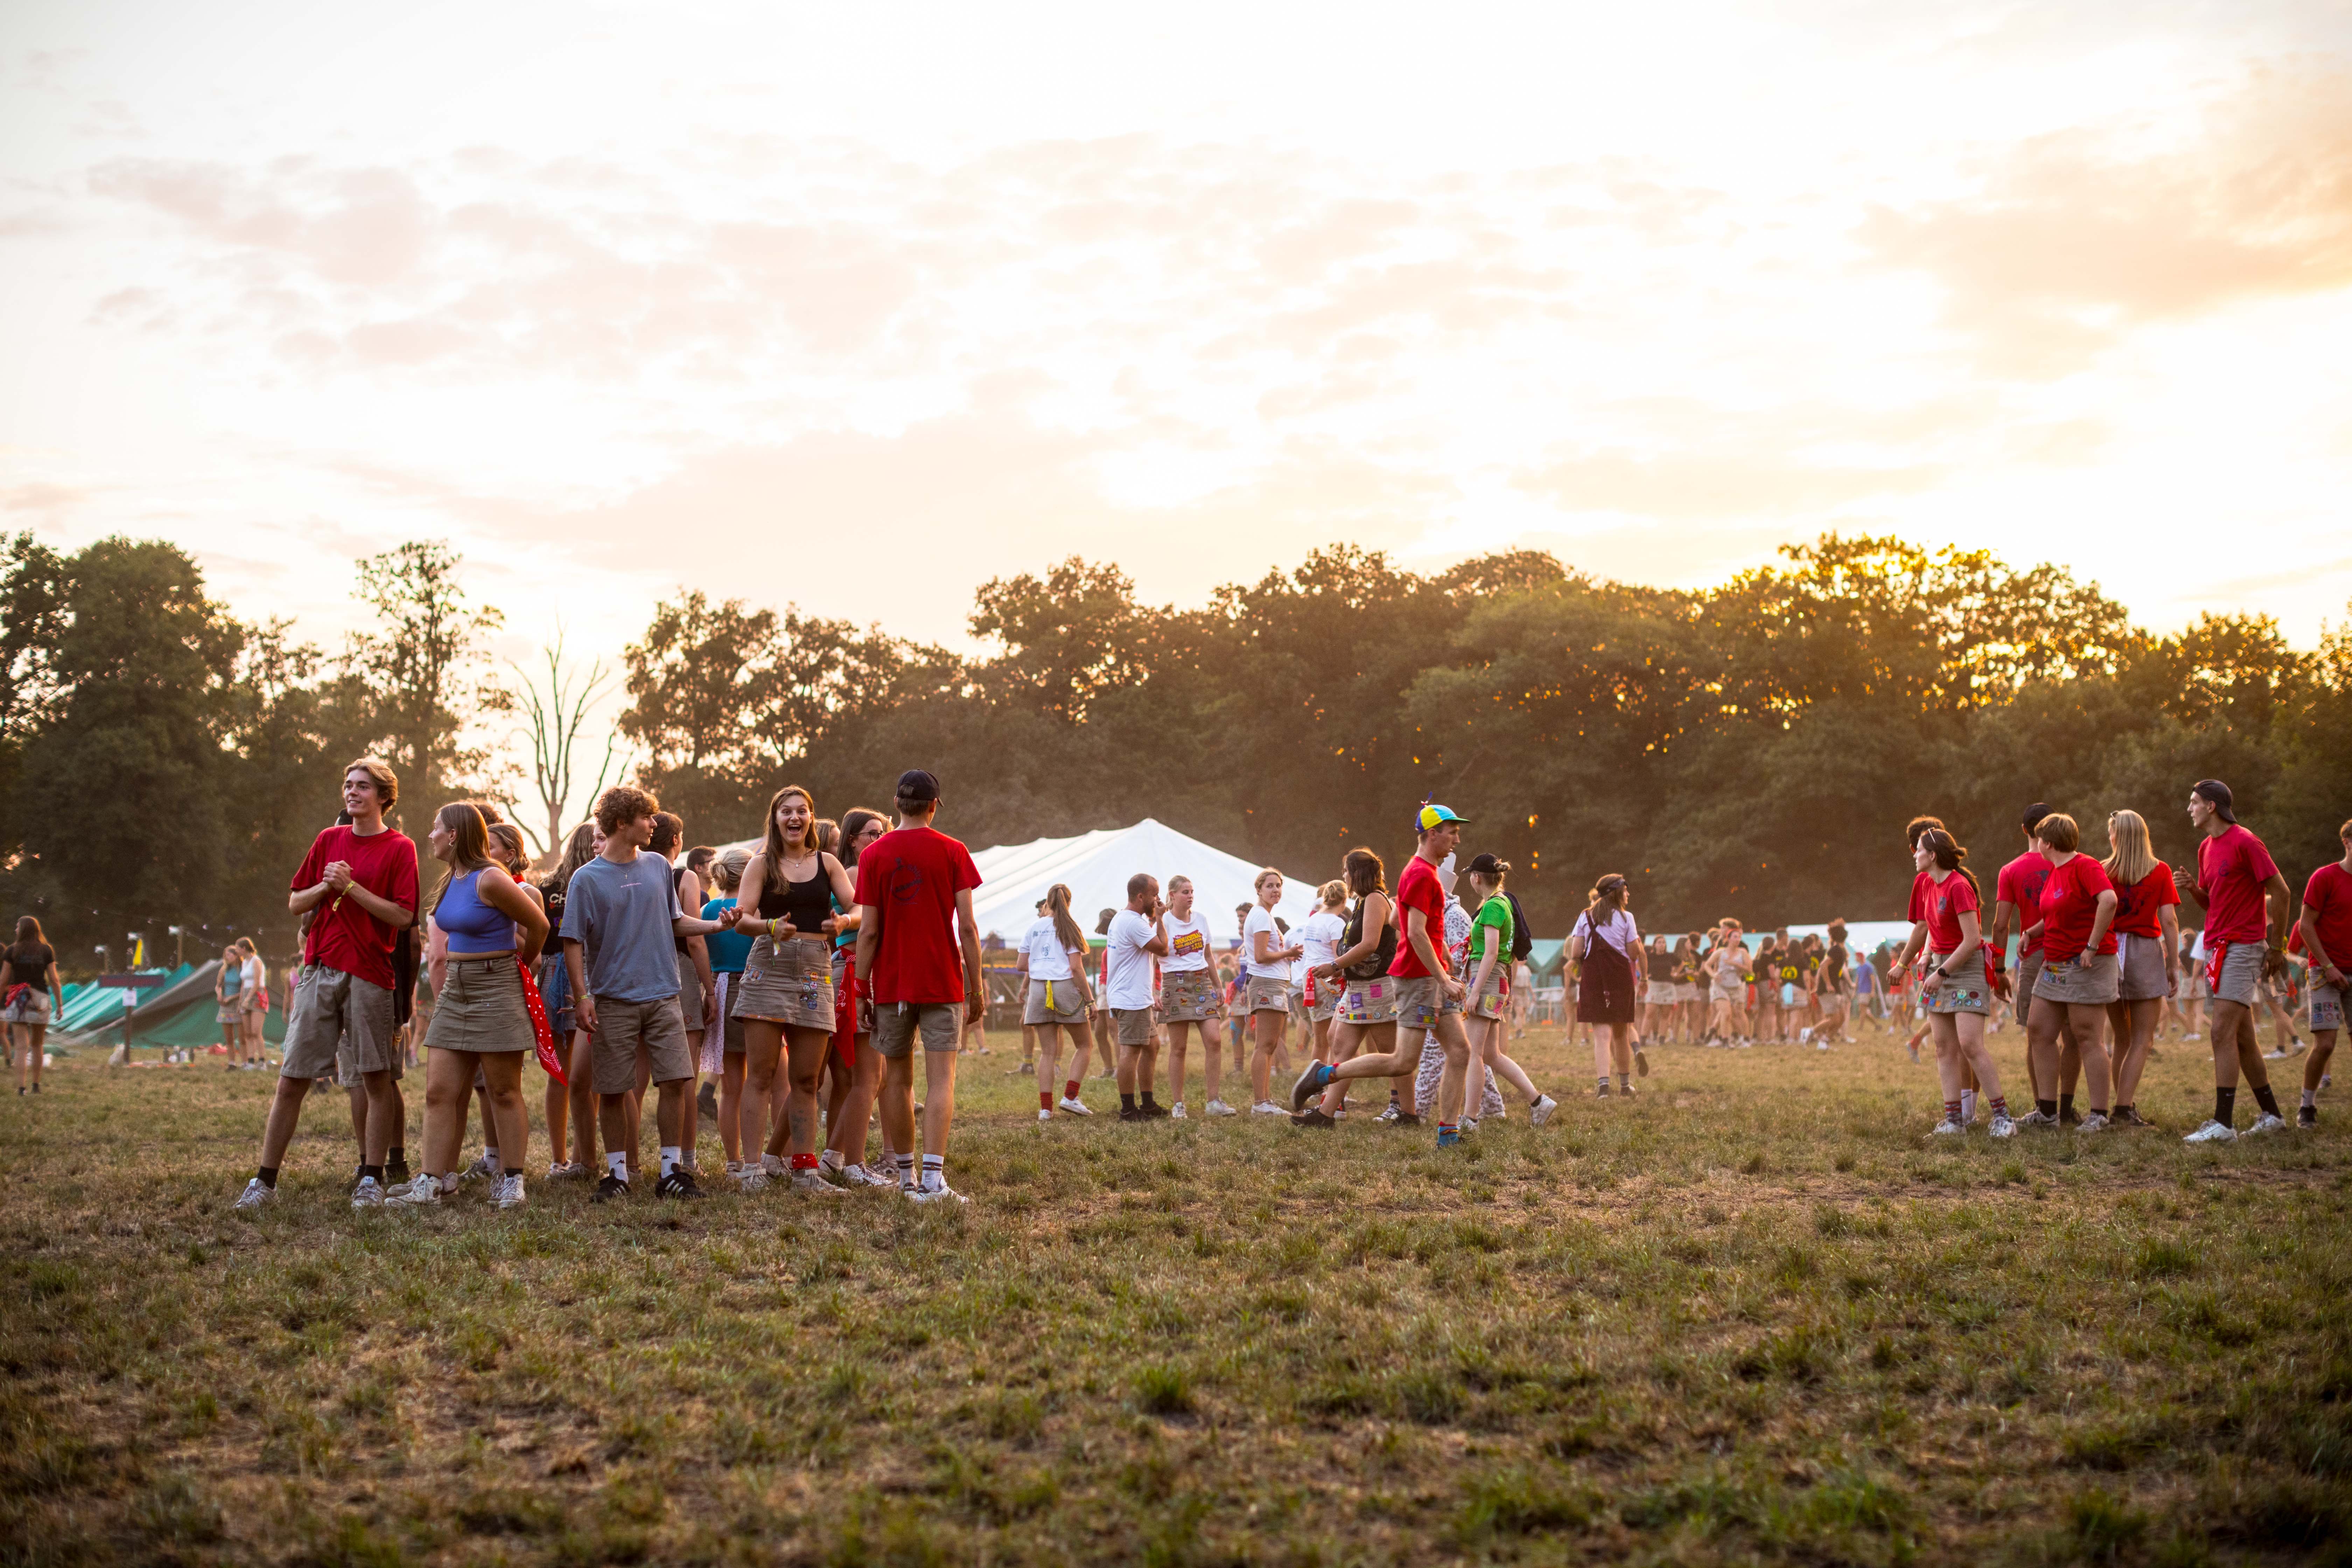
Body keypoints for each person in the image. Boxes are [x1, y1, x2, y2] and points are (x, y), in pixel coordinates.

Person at [237, 758, 421, 1211]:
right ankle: (264, 1182)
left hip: (372, 975)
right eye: (348, 785)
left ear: (383, 797)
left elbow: (402, 917)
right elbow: (296, 900)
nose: (352, 792)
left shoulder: (401, 848)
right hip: (319, 970)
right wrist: (326, 888)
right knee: (291, 1078)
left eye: (362, 786)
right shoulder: (328, 840)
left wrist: (352, 888)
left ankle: (371, 1179)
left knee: (376, 1079)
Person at [560, 785, 734, 1201]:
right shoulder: (586, 879)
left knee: (676, 1081)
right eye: (647, 817)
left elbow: (676, 922)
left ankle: (671, 1171)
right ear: (622, 823)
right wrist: (583, 997)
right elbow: (572, 941)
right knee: (615, 1089)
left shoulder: (658, 866)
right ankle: (617, 1175)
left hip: (664, 996)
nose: (654, 824)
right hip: (614, 999)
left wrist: (715, 927)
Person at [387, 804, 551, 1210]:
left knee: (503, 1090)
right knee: (439, 1091)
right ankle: (432, 1181)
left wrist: (523, 964)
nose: (431, 835)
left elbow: (541, 926)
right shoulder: (450, 880)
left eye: (436, 828)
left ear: (456, 834)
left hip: (495, 985)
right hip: (456, 991)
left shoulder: (490, 877)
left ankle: (511, 1180)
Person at [1292, 804, 1476, 1146]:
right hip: (1419, 980)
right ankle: (1323, 1075)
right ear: (1433, 833)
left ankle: (1448, 1133)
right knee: (1402, 1060)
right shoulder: (1421, 875)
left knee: (1461, 1051)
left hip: (1427, 975)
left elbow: (1397, 923)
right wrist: (1442, 976)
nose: (1457, 839)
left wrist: (1444, 952)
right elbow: (1416, 934)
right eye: (1452, 832)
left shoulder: (1417, 873)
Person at [851, 768, 985, 1204]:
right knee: (941, 1080)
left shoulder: (874, 855)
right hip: (941, 980)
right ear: (933, 806)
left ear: (896, 804)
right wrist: (977, 985)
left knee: (897, 1082)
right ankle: (934, 1180)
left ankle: (907, 1179)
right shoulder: (953, 851)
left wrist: (860, 987)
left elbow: (868, 931)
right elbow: (967, 927)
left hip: (891, 981)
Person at [731, 786, 861, 1192]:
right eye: (786, 811)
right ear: (775, 818)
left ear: (810, 817)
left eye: (801, 811)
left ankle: (806, 1172)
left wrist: (844, 923)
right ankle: (752, 1170)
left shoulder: (827, 862)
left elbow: (859, 908)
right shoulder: (761, 864)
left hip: (816, 968)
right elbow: (742, 919)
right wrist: (771, 926)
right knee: (763, 1074)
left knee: (807, 1078)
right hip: (769, 965)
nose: (794, 818)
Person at [2181, 779, 2292, 1142]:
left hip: (2245, 946)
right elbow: (2214, 903)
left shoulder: (2246, 841)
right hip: (2218, 948)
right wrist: (2195, 890)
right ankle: (2272, 1115)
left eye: (2195, 802)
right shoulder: (2205, 848)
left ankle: (2223, 1124)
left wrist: (2276, 948)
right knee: (2243, 1038)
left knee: (2219, 1031)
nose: (2190, 808)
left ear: (2212, 806)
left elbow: (2282, 890)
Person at [1888, 827, 2016, 1138]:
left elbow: (1973, 939)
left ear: (1932, 856)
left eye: (1918, 850)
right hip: (1938, 966)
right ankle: (1954, 1122)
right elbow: (1931, 928)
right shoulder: (1927, 885)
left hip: (1965, 969)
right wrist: (1924, 957)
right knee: (1944, 1047)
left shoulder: (1959, 886)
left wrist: (1942, 972)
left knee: (1970, 1045)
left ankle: (2003, 1119)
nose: (1914, 854)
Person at [2013, 813, 2119, 1132]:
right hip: (2054, 962)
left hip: (2086, 963)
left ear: (2047, 842)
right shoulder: (2056, 871)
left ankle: (2099, 1115)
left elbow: (2109, 900)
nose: (2037, 843)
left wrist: (2092, 945)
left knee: (2088, 1036)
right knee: (2038, 1030)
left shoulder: (2085, 866)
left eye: (2039, 839)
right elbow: (2057, 913)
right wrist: (2031, 932)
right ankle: (2047, 1113)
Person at [820, 807, 896, 1186]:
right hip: (855, 972)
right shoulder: (853, 874)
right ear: (852, 839)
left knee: (867, 1078)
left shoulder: (858, 873)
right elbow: (865, 928)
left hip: (855, 969)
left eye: (883, 832)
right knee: (868, 1076)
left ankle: (834, 1157)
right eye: (871, 833)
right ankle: (851, 1164)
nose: (879, 839)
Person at [1301, 848, 1399, 1125]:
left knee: (1393, 1055)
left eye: (1346, 871)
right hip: (1359, 987)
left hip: (1377, 988)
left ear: (1357, 873)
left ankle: (1405, 1109)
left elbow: (1369, 944)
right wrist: (1343, 970)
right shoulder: (1362, 902)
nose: (1343, 876)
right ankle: (1329, 1111)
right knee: (1338, 1042)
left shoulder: (1376, 900)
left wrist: (1335, 966)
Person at [1462, 854, 1556, 1122]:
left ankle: (1470, 1118)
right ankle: (1538, 1102)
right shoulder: (1506, 903)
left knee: (1475, 1053)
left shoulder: (1492, 907)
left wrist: (1476, 991)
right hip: (1498, 978)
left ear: (1477, 878)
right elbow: (1510, 953)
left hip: (1487, 977)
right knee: (1492, 1053)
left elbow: (1491, 952)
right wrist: (1508, 989)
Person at [2102, 809, 2180, 1128]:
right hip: (2144, 952)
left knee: (2122, 1038)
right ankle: (2124, 1109)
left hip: (2110, 953)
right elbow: (2170, 921)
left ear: (2116, 836)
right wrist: (2173, 965)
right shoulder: (2160, 871)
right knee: (2143, 1040)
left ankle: (2123, 1104)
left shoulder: (2102, 869)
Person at [700, 846, 766, 1189]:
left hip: (722, 989)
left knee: (731, 1088)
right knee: (768, 1079)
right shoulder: (753, 910)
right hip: (756, 987)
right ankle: (772, 1157)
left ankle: (733, 1160)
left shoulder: (709, 909)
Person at [538, 821, 600, 1179]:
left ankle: (559, 1158)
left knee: (560, 1073)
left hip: (552, 971)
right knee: (585, 1073)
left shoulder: (547, 886)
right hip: (585, 969)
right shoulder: (595, 881)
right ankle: (581, 1154)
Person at [1157, 875, 1232, 1118]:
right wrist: (1154, 988)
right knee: (1179, 1048)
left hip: (1201, 981)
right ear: (1172, 895)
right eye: (1185, 892)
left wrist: (1218, 985)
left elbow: (1209, 955)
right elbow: (1152, 956)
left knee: (1215, 1040)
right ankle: (1179, 1104)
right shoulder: (1164, 921)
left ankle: (1213, 1102)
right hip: (1175, 981)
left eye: (1192, 892)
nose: (1190, 896)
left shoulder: (1201, 919)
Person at [1022, 885, 1098, 1122]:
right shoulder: (1070, 928)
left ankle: (1046, 1110)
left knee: (1047, 1052)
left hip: (1038, 989)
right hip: (1064, 986)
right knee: (1085, 1045)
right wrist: (1090, 1000)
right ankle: (1071, 1097)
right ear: (1069, 903)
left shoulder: (1034, 927)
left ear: (1048, 902)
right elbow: (1076, 968)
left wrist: (1042, 961)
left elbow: (1021, 965)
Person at [2297, 818, 2352, 1126]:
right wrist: (2329, 967)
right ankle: (2307, 1105)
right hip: (2324, 972)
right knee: (2327, 1044)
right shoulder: (2325, 877)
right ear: (2347, 842)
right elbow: (2306, 926)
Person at [1102, 873, 1170, 1120]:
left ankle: (1148, 1103)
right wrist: (1161, 919)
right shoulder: (1134, 922)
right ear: (1141, 897)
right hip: (1131, 999)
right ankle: (1128, 1110)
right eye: (1155, 895)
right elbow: (1163, 948)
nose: (1158, 900)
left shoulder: (1123, 919)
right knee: (1130, 1052)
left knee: (1152, 1046)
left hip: (1135, 996)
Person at [1571, 874, 1645, 1094]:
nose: (1628, 894)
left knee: (1602, 1036)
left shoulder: (1586, 916)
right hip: (1620, 978)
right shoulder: (1626, 918)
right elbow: (1634, 953)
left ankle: (1603, 1087)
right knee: (1621, 1034)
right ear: (1617, 892)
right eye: (1626, 890)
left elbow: (1576, 952)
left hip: (1594, 978)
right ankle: (1625, 1086)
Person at [1238, 870, 1303, 1114]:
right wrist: (1289, 953)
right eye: (1269, 886)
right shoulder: (1262, 916)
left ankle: (1265, 1101)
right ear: (1259, 890)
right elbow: (1261, 956)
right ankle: (1261, 1103)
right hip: (1267, 982)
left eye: (1278, 886)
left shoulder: (1264, 916)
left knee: (1270, 1044)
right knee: (1265, 1045)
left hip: (1272, 982)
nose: (1275, 890)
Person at [2, 916, 59, 1094]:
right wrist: (61, 1005)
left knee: (20, 1046)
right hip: (41, 998)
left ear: (24, 929)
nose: (16, 930)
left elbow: (3, 980)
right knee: (37, 1045)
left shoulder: (12, 951)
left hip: (19, 997)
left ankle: (21, 1088)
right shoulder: (46, 950)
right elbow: (55, 980)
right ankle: (36, 1086)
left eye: (17, 926)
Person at [1297, 881, 1348, 1071]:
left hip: (1310, 978)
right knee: (1336, 1037)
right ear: (1345, 900)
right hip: (1328, 979)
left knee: (1320, 1040)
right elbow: (1338, 958)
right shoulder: (1337, 922)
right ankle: (1332, 1086)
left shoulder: (1314, 919)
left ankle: (1315, 1085)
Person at [236, 938, 269, 1068]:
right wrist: (241, 1002)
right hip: (245, 995)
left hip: (257, 995)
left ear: (244, 948)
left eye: (238, 948)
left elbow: (256, 983)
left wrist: (248, 1000)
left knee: (256, 1032)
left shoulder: (257, 961)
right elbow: (244, 983)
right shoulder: (245, 963)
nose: (237, 951)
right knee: (248, 1033)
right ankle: (250, 1062)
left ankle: (262, 1061)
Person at [214, 944, 247, 1059]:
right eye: (225, 955)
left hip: (239, 1004)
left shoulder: (243, 969)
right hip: (226, 1005)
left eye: (229, 955)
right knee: (229, 1038)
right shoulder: (224, 969)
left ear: (236, 956)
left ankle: (245, 1063)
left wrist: (232, 998)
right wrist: (219, 995)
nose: (226, 957)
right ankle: (232, 1063)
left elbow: (245, 989)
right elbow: (218, 986)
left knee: (242, 1038)